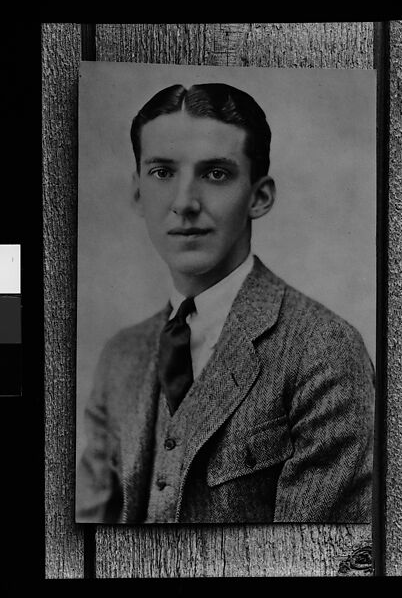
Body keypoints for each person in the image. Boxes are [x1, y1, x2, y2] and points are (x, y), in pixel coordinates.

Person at [76, 83, 375, 524]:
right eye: (162, 172)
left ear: (260, 196)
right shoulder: (121, 355)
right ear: (138, 192)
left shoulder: (323, 351)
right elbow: (80, 541)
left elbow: (313, 563)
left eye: (215, 173)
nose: (184, 203)